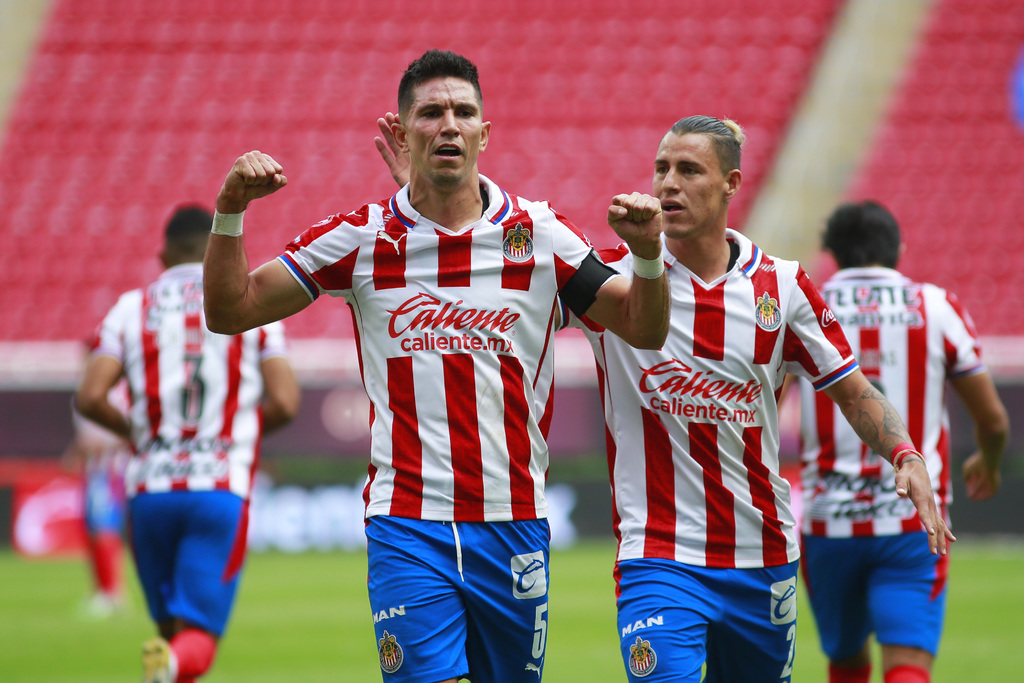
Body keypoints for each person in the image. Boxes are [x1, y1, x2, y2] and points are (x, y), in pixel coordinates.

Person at [375, 113, 954, 681]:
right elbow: (482, 271)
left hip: (764, 557)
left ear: (731, 183)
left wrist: (905, 453)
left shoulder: (780, 285)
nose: (669, 183)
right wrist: (426, 197)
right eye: (661, 168)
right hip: (658, 556)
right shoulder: (613, 282)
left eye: (689, 170)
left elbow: (851, 392)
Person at [201, 49, 669, 683]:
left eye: (463, 112)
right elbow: (231, 309)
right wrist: (230, 209)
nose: (449, 124)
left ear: (484, 132)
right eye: (431, 113)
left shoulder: (541, 237)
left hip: (512, 521)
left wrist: (646, 258)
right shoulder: (362, 239)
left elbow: (642, 326)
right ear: (402, 129)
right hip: (406, 523)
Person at [75, 205, 300, 683]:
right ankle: (172, 667)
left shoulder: (129, 308)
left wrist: (140, 434)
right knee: (194, 637)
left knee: (167, 627)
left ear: (162, 255)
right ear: (221, 248)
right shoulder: (253, 301)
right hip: (218, 489)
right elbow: (284, 401)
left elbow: (91, 397)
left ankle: (169, 665)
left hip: (149, 492)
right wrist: (233, 432)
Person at [795, 200, 1009, 683]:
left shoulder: (805, 305)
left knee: (847, 664)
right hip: (915, 522)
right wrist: (989, 462)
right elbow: (993, 422)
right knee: (908, 665)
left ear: (831, 252)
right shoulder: (936, 306)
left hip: (829, 524)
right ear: (899, 249)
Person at [62, 381, 131, 619]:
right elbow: (86, 437)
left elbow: (132, 430)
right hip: (93, 471)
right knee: (93, 529)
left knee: (104, 528)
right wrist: (75, 452)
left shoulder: (120, 394)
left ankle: (113, 593)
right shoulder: (83, 393)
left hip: (111, 471)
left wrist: (104, 445)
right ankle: (103, 590)